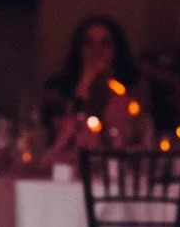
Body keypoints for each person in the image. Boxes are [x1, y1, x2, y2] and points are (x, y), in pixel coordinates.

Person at [40, 13, 140, 158]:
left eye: (105, 44)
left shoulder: (131, 88)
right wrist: (84, 84)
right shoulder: (58, 88)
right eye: (89, 43)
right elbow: (58, 139)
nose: (96, 50)